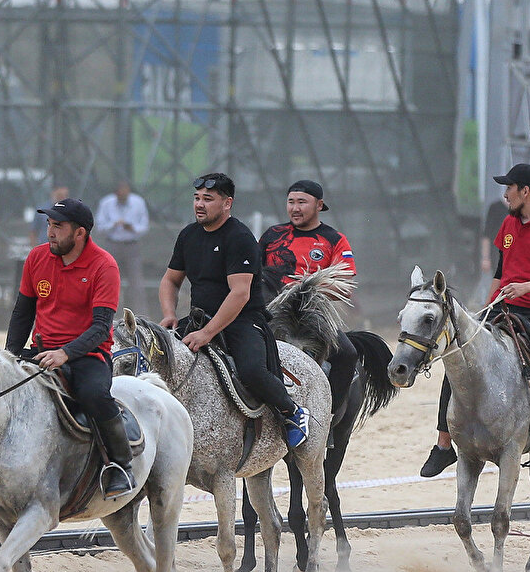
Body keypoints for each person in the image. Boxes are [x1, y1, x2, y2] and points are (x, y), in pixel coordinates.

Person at [422, 163, 530, 480]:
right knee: (460, 356)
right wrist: (486, 308)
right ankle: (444, 444)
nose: (505, 195)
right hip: (504, 307)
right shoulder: (508, 224)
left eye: (509, 188)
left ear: (525, 191)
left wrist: (526, 288)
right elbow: (501, 272)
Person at [159, 172, 310, 449]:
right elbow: (170, 280)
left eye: (208, 199)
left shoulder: (239, 237)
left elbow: (239, 294)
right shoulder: (188, 235)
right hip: (199, 318)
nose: (199, 204)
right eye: (196, 198)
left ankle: (292, 412)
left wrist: (207, 333)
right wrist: (169, 314)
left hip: (242, 319)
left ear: (227, 203)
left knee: (251, 371)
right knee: (158, 358)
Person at [5, 196, 136, 500]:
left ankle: (121, 465)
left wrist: (65, 353)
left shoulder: (104, 265)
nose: (50, 232)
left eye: (58, 226)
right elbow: (22, 313)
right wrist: (10, 354)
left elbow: (101, 328)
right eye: (49, 224)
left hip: (88, 356)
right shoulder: (36, 257)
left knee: (94, 395)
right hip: (41, 351)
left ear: (80, 233)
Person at [259, 178, 358, 413]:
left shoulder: (334, 239)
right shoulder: (272, 235)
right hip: (271, 314)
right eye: (291, 202)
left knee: (348, 354)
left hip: (312, 317)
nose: (295, 208)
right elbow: (251, 274)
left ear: (319, 205)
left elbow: (345, 285)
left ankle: (329, 415)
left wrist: (306, 290)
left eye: (302, 202)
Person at [95, 180, 150, 314]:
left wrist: (132, 228)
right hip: (112, 244)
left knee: (136, 281)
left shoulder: (138, 202)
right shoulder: (106, 203)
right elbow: (99, 226)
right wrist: (113, 224)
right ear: (116, 193)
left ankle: (140, 313)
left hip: (132, 245)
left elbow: (144, 226)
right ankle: (112, 312)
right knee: (111, 279)